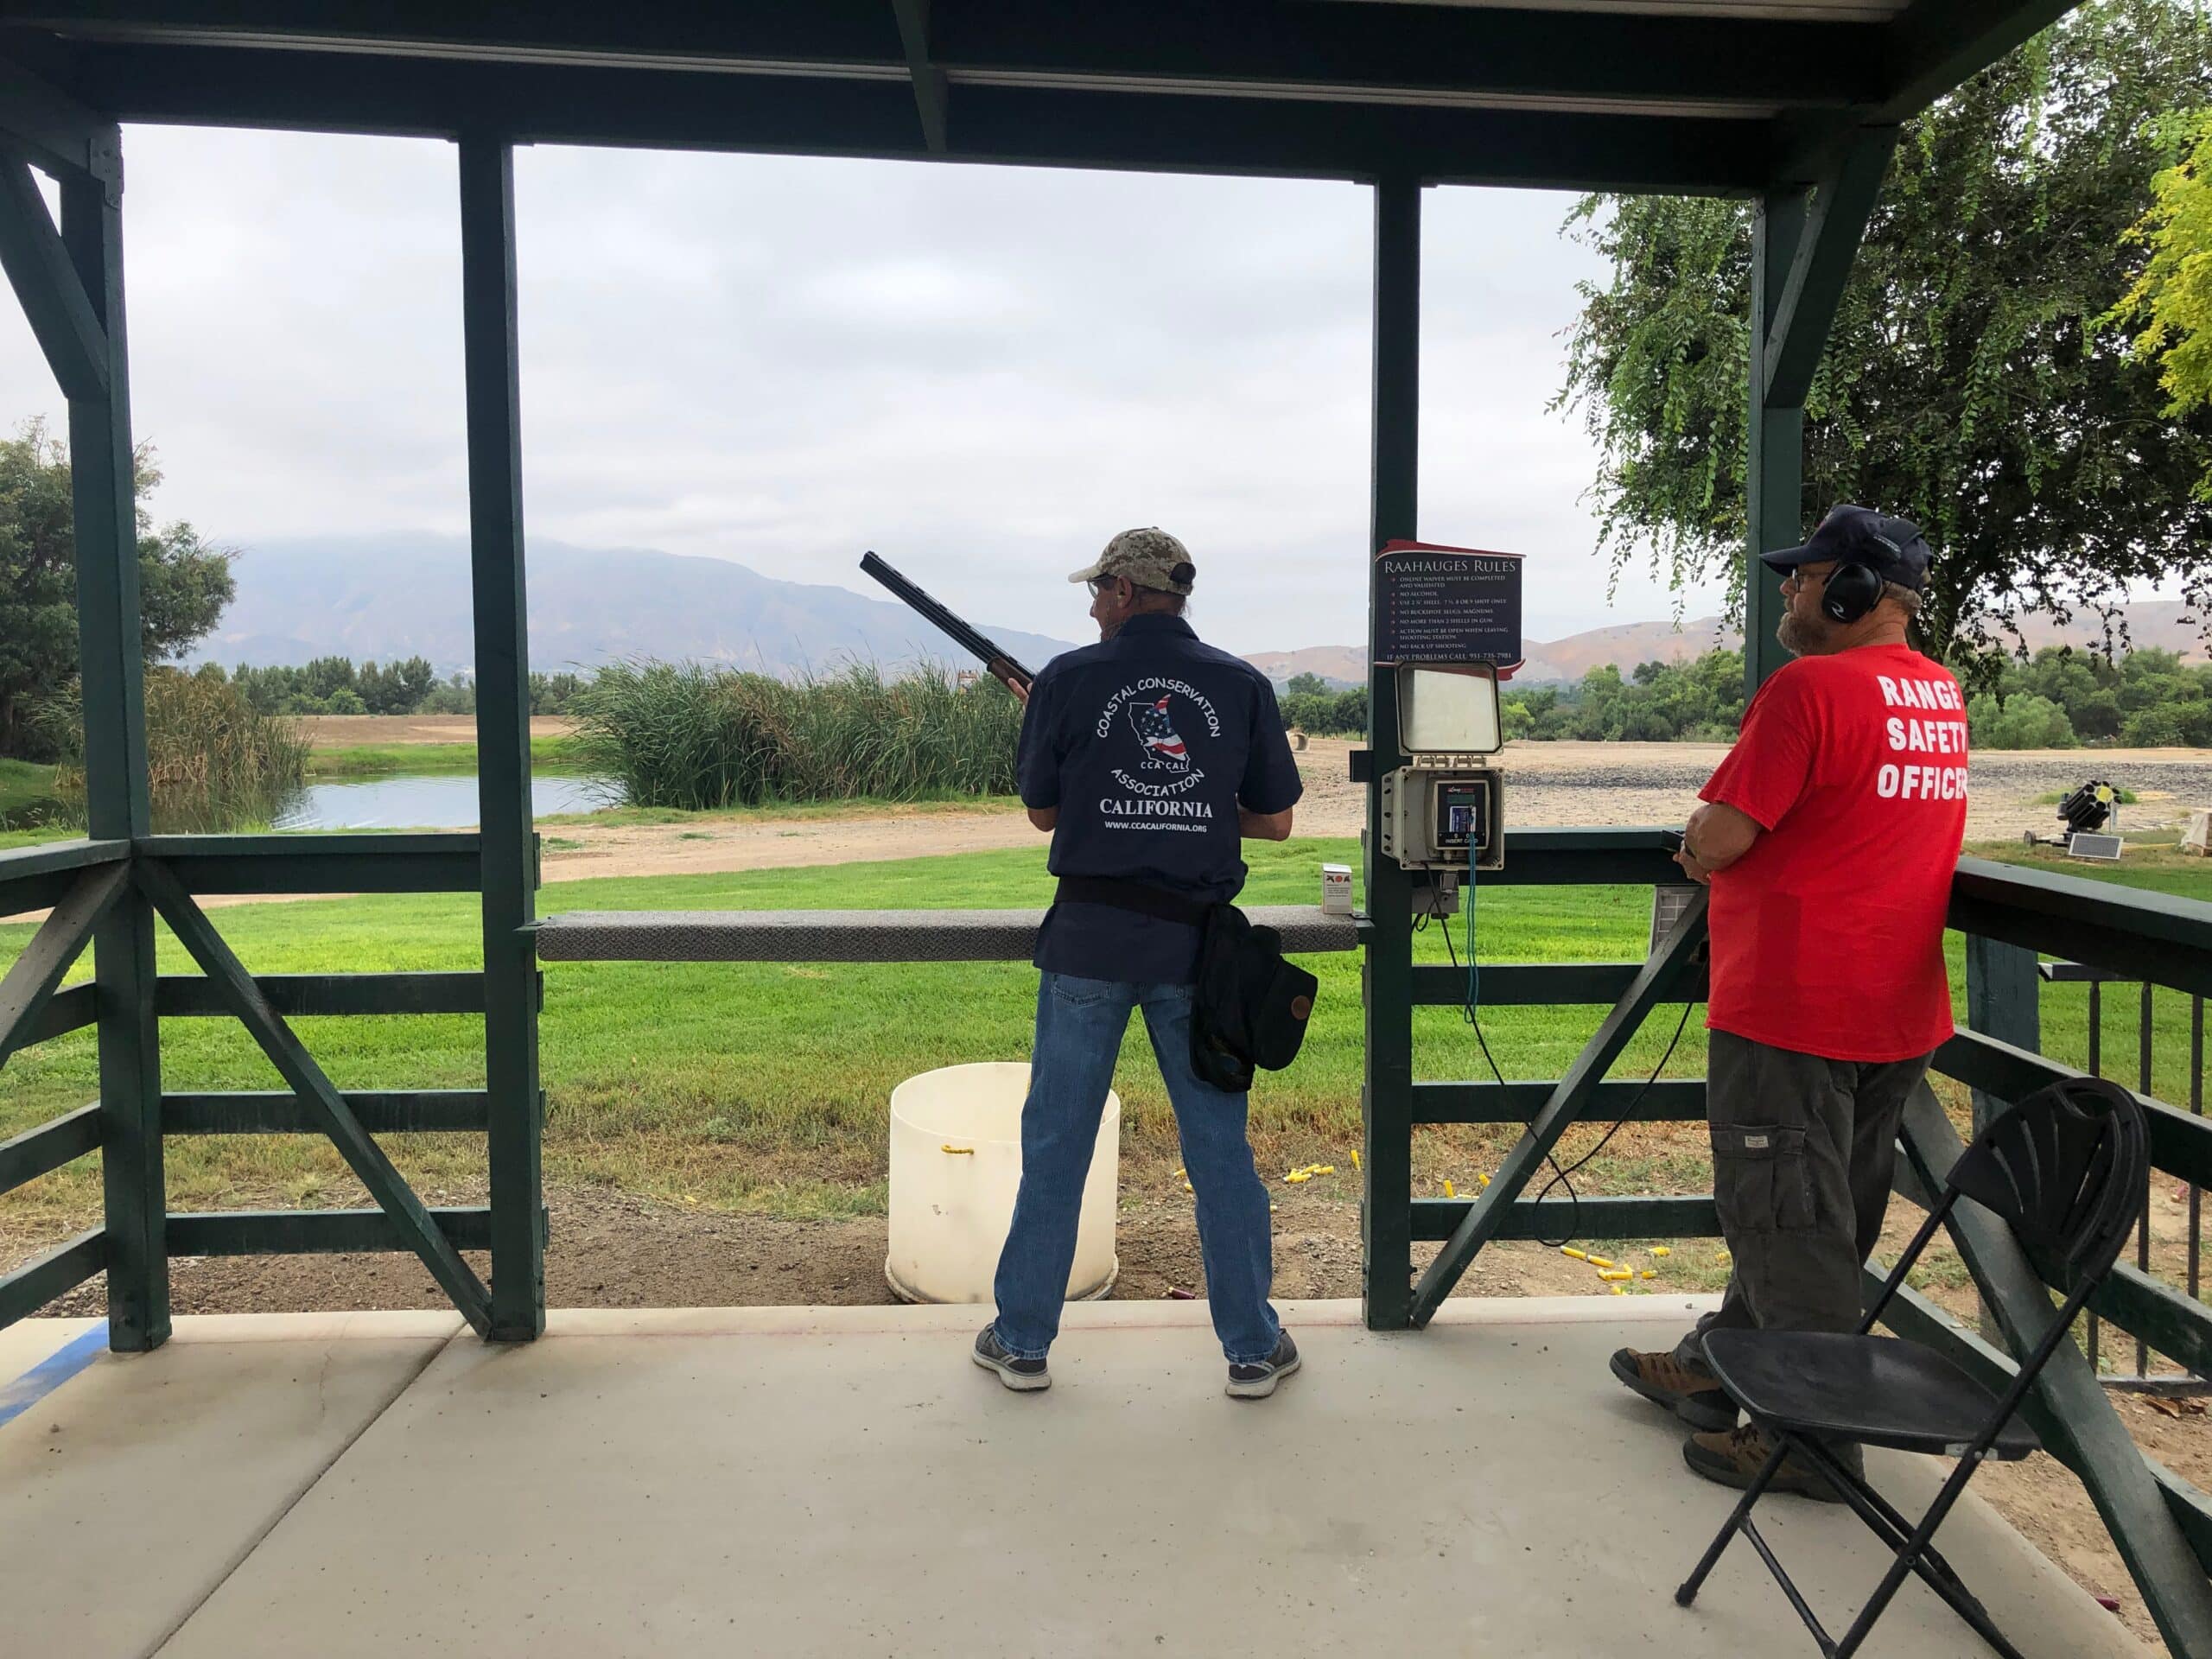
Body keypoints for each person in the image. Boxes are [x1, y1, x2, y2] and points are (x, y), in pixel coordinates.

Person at [1609, 505, 1968, 1498]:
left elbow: (1720, 836)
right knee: (1816, 1214)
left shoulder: (1806, 689)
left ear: (1852, 589)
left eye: (1803, 577)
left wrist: (1695, 843)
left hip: (1795, 1007)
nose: (1788, 591)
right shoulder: (1938, 694)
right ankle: (1721, 1365)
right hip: (1891, 1010)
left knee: (1783, 1217)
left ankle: (1808, 1439)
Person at [971, 527, 1306, 1399]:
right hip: (1197, 952)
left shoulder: (1069, 681)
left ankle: (1022, 1342)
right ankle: (1250, 1349)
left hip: (1086, 942)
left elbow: (1043, 814)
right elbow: (1274, 821)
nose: (1090, 607)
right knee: (1219, 1156)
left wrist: (1092, 766)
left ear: (1123, 589)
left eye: (1097, 591)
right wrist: (1191, 806)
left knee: (1056, 1150)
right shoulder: (1240, 683)